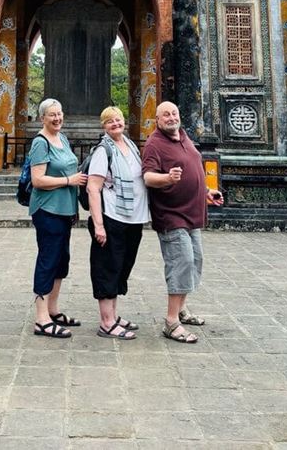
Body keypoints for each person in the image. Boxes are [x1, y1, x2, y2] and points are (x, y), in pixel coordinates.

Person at [142, 101, 223, 344]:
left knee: (194, 260)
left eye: (174, 113)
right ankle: (171, 322)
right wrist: (167, 178)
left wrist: (207, 191)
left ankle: (181, 309)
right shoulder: (154, 144)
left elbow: (194, 168)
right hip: (171, 214)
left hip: (192, 213)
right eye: (165, 114)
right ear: (157, 120)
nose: (170, 117)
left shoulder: (184, 137)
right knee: (181, 262)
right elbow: (147, 177)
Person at [87, 106, 150, 340]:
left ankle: (113, 315)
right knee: (108, 266)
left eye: (118, 119)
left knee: (123, 265)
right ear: (103, 126)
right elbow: (93, 187)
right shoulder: (104, 150)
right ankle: (106, 322)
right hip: (112, 217)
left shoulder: (130, 145)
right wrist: (99, 225)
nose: (115, 124)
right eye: (110, 121)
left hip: (133, 217)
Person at [29, 98, 87, 338]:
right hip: (47, 211)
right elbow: (38, 180)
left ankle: (53, 310)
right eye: (52, 115)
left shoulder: (61, 138)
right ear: (42, 118)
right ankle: (41, 319)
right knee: (48, 259)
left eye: (60, 113)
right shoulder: (40, 143)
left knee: (61, 260)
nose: (57, 118)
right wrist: (68, 181)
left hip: (65, 210)